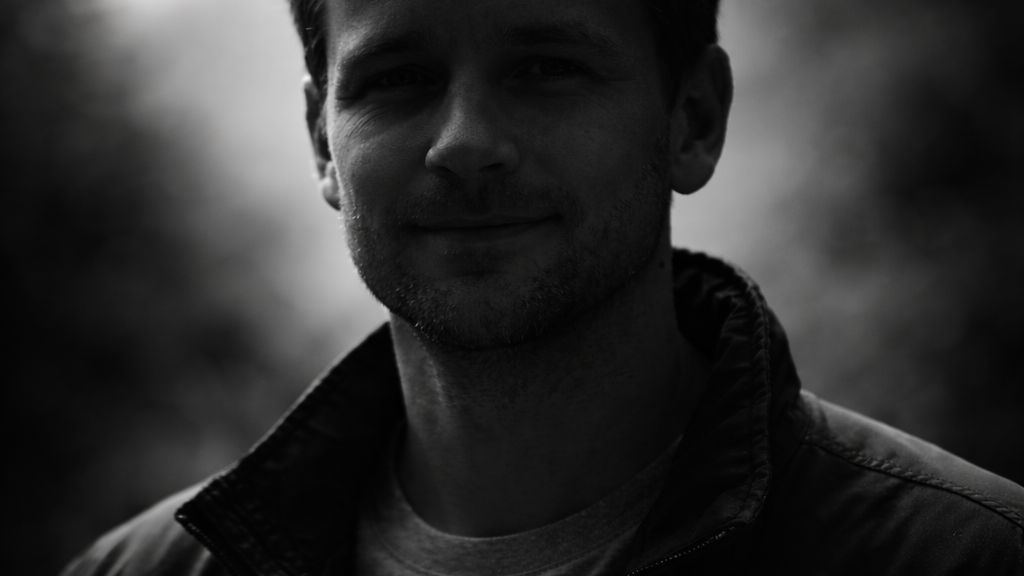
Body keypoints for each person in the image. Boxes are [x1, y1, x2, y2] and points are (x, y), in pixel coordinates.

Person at [61, 0, 1024, 574]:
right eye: (398, 78)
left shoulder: (963, 559)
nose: (465, 144)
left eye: (544, 68)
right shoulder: (137, 572)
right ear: (324, 142)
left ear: (693, 118)